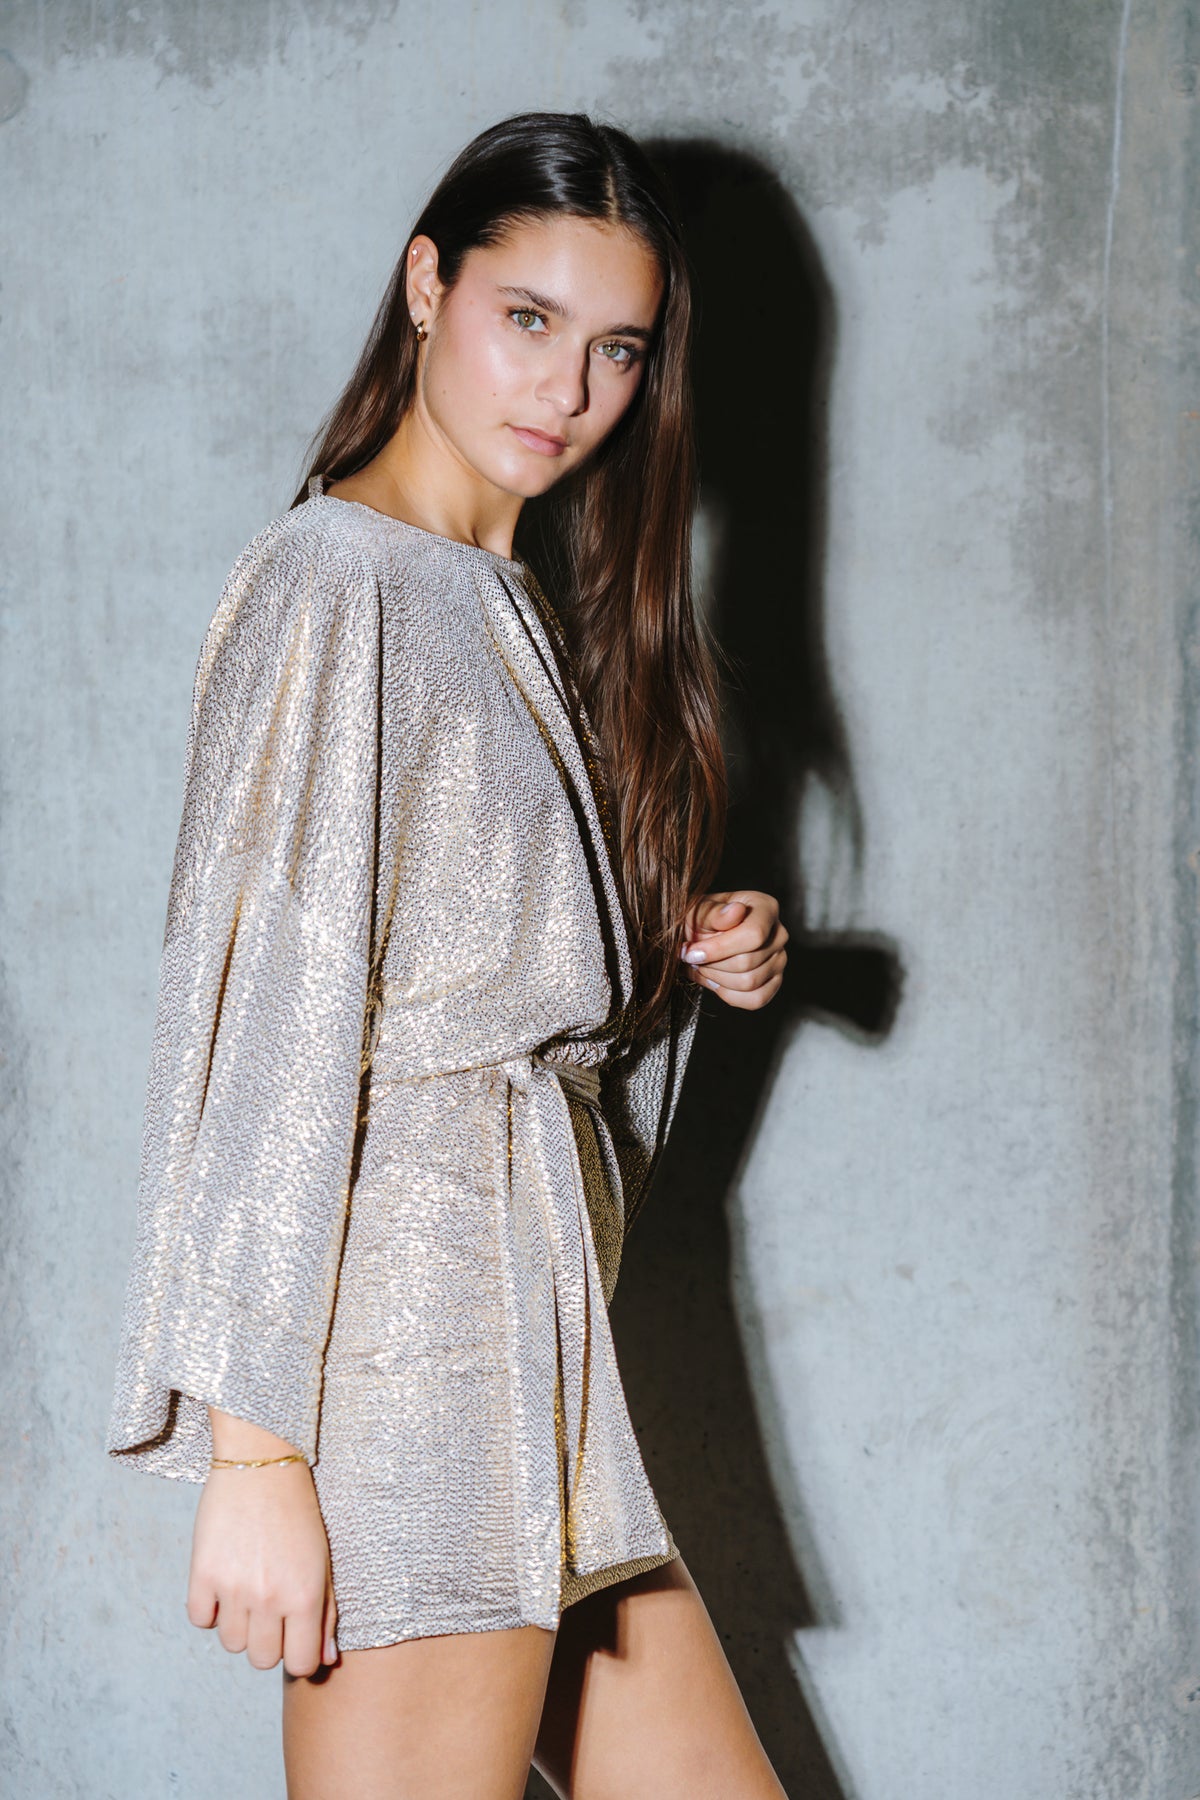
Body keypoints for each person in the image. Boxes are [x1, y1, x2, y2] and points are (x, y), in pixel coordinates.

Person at [105, 110, 790, 1799]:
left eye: (617, 347)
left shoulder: (511, 598)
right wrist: (255, 1452)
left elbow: (488, 1000)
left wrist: (671, 958)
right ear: (428, 284)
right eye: (527, 318)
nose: (567, 388)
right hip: (409, 1365)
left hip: (541, 1358)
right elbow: (262, 1027)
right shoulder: (337, 581)